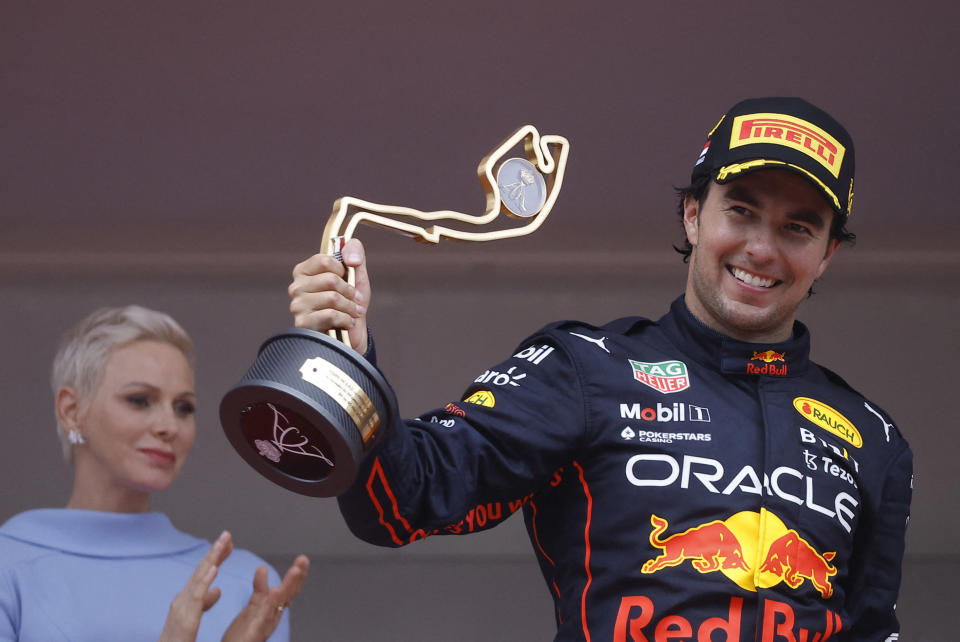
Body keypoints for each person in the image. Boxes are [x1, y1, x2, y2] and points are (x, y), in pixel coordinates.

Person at [287, 97, 912, 640]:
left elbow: (873, 630)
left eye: (797, 227)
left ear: (827, 254)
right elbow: (402, 498)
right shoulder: (586, 370)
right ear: (693, 215)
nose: (761, 248)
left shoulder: (874, 439)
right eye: (741, 211)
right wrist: (349, 355)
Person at [0, 305, 310, 641]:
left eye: (183, 408)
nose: (169, 426)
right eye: (139, 400)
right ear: (72, 411)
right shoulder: (10, 564)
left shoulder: (247, 584)